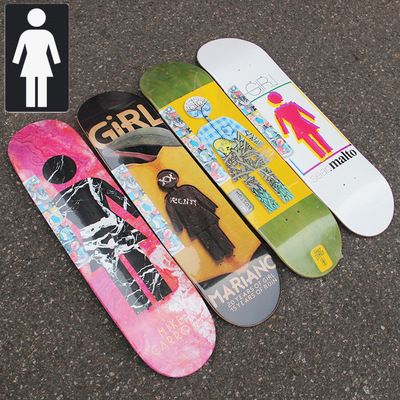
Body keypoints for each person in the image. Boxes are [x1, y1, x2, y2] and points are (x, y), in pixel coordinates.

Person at [12, 8, 61, 107]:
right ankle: (42, 103)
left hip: (30, 60)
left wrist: (16, 61)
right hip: (43, 61)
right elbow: (53, 50)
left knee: (30, 83)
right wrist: (56, 60)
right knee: (42, 83)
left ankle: (30, 103)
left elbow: (19, 50)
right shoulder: (47, 34)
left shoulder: (25, 34)